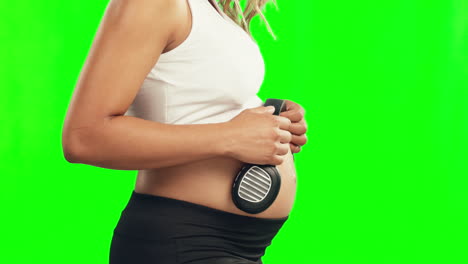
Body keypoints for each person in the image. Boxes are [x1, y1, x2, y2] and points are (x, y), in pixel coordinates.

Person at [61, 0, 308, 263]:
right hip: (186, 242)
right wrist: (231, 136)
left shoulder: (206, 7)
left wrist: (271, 115)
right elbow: (84, 137)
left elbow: (192, 103)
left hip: (240, 244)